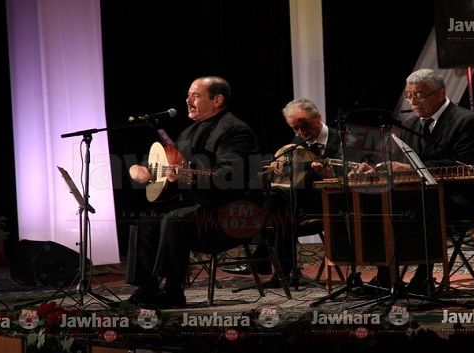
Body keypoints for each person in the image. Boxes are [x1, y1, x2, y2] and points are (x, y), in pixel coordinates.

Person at [354, 68, 474, 295]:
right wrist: (375, 168)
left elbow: (465, 165)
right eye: (409, 95)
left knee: (413, 206)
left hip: (460, 196)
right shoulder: (411, 124)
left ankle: (423, 276)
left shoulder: (467, 121)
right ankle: (387, 277)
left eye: (419, 95)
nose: (412, 100)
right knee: (374, 202)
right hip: (418, 195)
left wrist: (413, 168)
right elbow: (396, 161)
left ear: (439, 94)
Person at [126, 76, 259, 307]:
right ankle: (146, 287)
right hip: (197, 208)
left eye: (195, 96)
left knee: (176, 219)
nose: (187, 101)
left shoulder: (236, 131)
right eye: (188, 95)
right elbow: (166, 160)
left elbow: (229, 175)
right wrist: (139, 169)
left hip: (228, 213)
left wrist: (187, 173)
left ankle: (173, 289)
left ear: (217, 99)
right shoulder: (188, 133)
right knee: (146, 219)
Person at [223, 98, 343, 281]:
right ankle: (282, 273)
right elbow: (293, 174)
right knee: (274, 205)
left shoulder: (342, 139)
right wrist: (276, 169)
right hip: (297, 203)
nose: (301, 132)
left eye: (304, 126)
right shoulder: (298, 141)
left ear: (318, 118)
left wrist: (329, 175)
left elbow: (353, 175)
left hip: (333, 201)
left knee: (274, 198)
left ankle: (261, 260)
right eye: (295, 128)